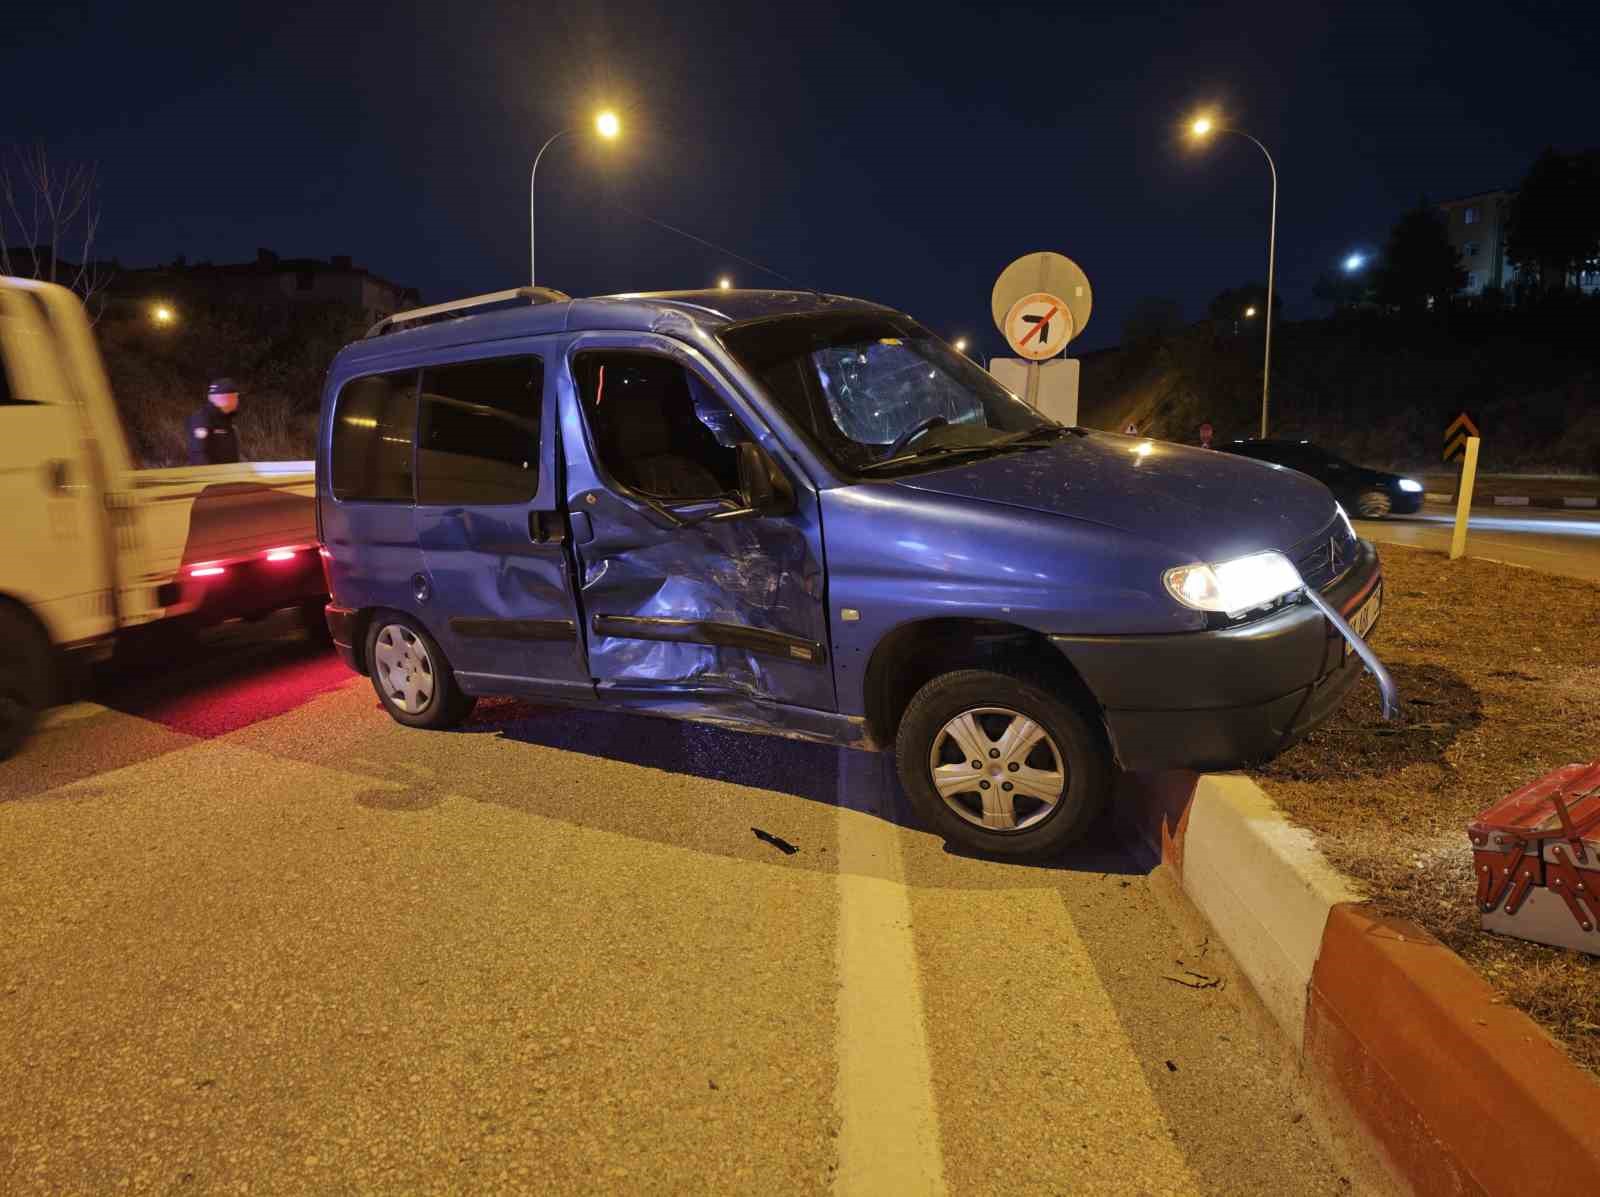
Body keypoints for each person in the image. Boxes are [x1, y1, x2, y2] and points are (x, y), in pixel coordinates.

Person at [188, 378, 242, 464]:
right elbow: (198, 453)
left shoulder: (228, 421)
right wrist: (210, 475)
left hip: (230, 473)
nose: (230, 403)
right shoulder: (201, 419)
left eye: (233, 398)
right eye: (221, 399)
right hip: (211, 475)